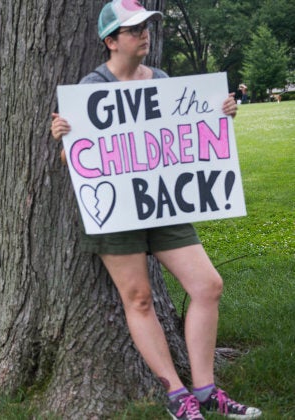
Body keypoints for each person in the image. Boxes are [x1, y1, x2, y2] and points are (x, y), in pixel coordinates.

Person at [50, 1, 262, 419]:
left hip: (164, 204)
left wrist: (218, 116)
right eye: (133, 30)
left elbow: (183, 139)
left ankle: (206, 391)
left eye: (147, 27)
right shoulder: (91, 87)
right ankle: (178, 397)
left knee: (207, 286)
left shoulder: (161, 80)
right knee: (139, 298)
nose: (144, 34)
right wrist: (65, 139)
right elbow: (73, 163)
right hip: (115, 210)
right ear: (110, 41)